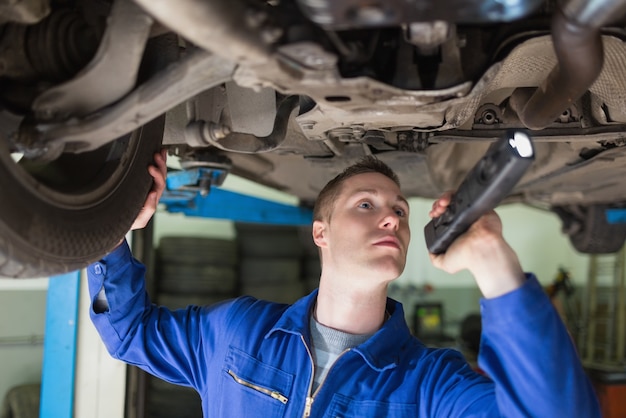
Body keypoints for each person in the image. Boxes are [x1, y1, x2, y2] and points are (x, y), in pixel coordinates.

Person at [87, 150, 601, 417]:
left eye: (399, 211)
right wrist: (114, 231)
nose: (392, 220)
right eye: (366, 205)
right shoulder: (236, 334)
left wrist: (493, 261)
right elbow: (129, 333)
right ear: (320, 232)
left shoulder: (427, 386)